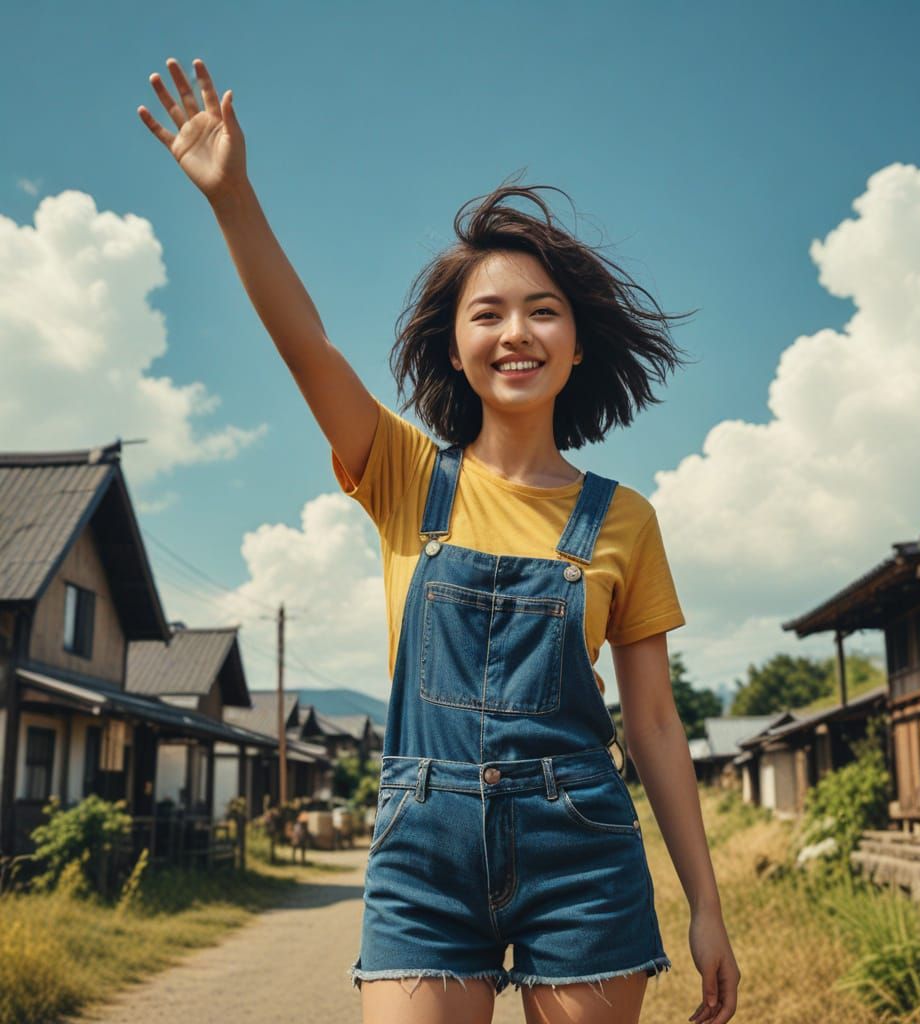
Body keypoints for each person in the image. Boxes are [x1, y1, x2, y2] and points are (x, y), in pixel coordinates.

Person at [138, 56, 740, 1024]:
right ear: (455, 346)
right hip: (424, 849)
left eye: (543, 311)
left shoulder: (623, 519)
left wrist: (706, 906)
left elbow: (656, 724)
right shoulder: (402, 472)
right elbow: (307, 343)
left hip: (581, 847)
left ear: (576, 346)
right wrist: (233, 197)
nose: (517, 331)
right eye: (488, 313)